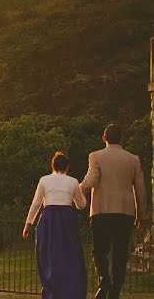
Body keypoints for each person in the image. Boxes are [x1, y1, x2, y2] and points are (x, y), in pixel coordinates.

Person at [80, 123, 150, 299]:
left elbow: (91, 181)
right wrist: (142, 215)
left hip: (101, 210)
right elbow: (140, 189)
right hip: (125, 212)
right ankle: (115, 290)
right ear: (122, 138)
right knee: (120, 251)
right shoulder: (133, 159)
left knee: (99, 250)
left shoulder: (96, 156)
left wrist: (76, 191)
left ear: (104, 138)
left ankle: (104, 281)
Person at [23, 151, 87, 299]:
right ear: (67, 167)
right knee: (70, 255)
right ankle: (71, 291)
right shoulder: (73, 181)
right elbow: (81, 205)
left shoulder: (44, 180)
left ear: (52, 165)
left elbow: (36, 203)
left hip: (49, 219)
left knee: (47, 255)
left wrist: (28, 224)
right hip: (67, 219)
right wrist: (82, 193)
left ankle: (51, 290)